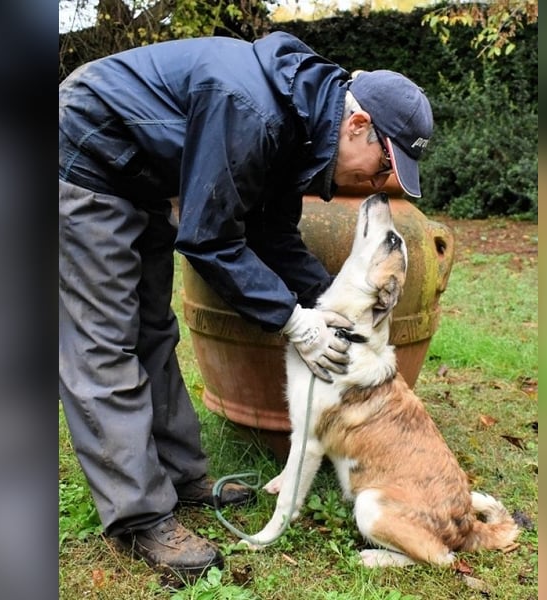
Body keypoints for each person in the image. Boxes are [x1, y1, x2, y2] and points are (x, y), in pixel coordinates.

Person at [59, 31, 433, 581]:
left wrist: (332, 309)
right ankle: (140, 516)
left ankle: (181, 477)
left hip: (144, 175)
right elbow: (209, 238)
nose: (376, 183)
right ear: (358, 125)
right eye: (382, 167)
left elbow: (271, 235)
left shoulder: (300, 129)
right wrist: (295, 322)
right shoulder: (252, 110)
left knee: (153, 331)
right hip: (88, 154)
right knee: (106, 344)